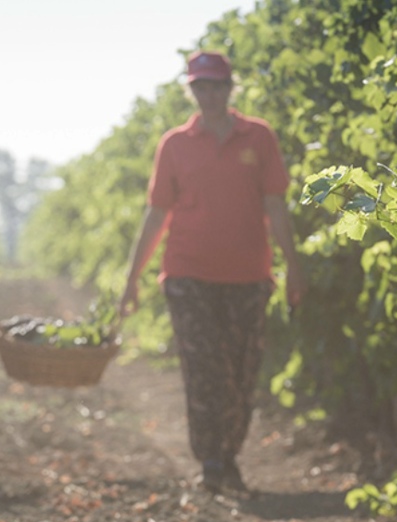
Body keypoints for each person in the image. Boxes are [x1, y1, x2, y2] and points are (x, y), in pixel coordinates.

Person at [120, 50, 306, 497]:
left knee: (242, 372)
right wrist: (132, 278)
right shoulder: (175, 144)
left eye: (217, 86)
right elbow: (157, 213)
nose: (210, 95)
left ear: (229, 88)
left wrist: (294, 266)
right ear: (192, 91)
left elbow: (275, 205)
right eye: (201, 87)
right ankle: (211, 461)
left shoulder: (258, 137)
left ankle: (230, 455)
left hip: (249, 276)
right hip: (188, 275)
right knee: (204, 369)